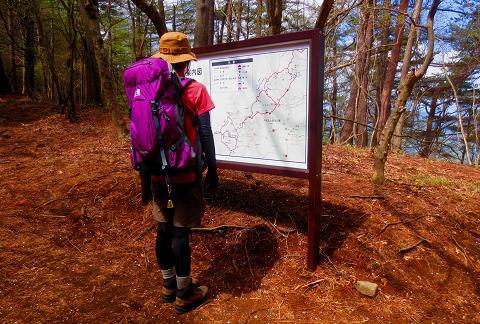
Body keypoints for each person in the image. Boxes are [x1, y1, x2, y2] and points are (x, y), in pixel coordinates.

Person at [150, 32, 218, 314]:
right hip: (186, 175)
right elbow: (205, 132)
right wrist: (213, 168)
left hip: (156, 174)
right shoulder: (196, 89)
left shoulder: (152, 89)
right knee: (180, 234)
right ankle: (184, 292)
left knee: (163, 230)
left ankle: (167, 286)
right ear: (185, 62)